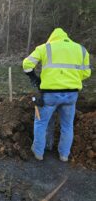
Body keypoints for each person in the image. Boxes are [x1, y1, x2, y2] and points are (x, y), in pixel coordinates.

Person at [23, 28, 91, 162]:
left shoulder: (45, 48)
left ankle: (38, 153)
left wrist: (35, 79)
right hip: (71, 95)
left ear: (52, 38)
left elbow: (26, 64)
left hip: (50, 95)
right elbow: (86, 73)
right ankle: (64, 155)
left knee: (41, 123)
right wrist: (70, 79)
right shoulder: (81, 49)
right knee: (67, 125)